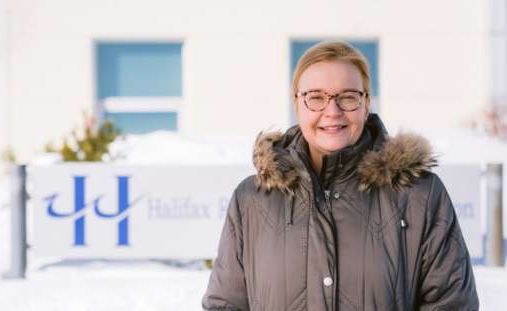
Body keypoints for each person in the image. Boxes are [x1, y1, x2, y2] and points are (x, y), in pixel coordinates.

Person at [202, 41, 479, 310]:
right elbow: (225, 305)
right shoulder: (252, 200)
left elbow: (452, 303)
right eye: (316, 98)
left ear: (366, 102)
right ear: (297, 104)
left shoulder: (419, 195)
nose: (332, 112)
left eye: (348, 97)